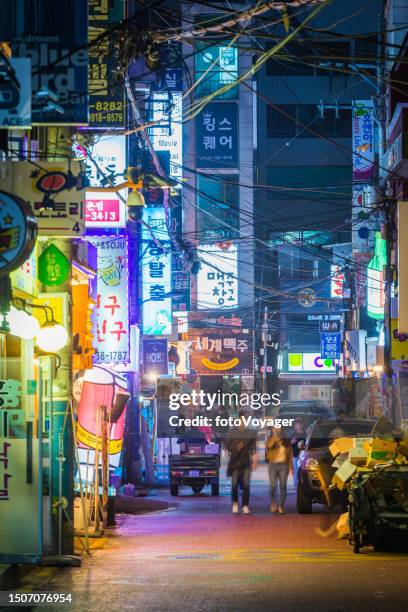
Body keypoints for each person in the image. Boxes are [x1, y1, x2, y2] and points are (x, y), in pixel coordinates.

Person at [226, 410, 258, 514]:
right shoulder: (232, 432)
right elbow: (228, 446)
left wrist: (255, 460)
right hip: (235, 464)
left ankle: (245, 505)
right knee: (234, 485)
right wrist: (236, 447)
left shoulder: (250, 433)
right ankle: (235, 503)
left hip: (246, 464)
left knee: (246, 486)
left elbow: (253, 448)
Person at [266, 427, 293, 514]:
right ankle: (273, 503)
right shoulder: (270, 439)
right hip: (273, 465)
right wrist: (275, 438)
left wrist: (291, 467)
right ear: (273, 430)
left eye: (279, 428)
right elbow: (269, 446)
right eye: (275, 428)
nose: (277, 430)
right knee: (273, 486)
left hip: (283, 465)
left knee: (283, 486)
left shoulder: (286, 441)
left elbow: (290, 454)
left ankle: (281, 505)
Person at [290, 418, 306, 489]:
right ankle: (297, 487)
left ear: (302, 425)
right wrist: (292, 442)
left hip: (304, 456)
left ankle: (304, 486)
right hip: (296, 456)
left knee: (304, 472)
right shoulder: (293, 434)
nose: (299, 426)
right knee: (296, 472)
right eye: (297, 424)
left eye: (300, 424)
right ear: (295, 426)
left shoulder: (306, 433)